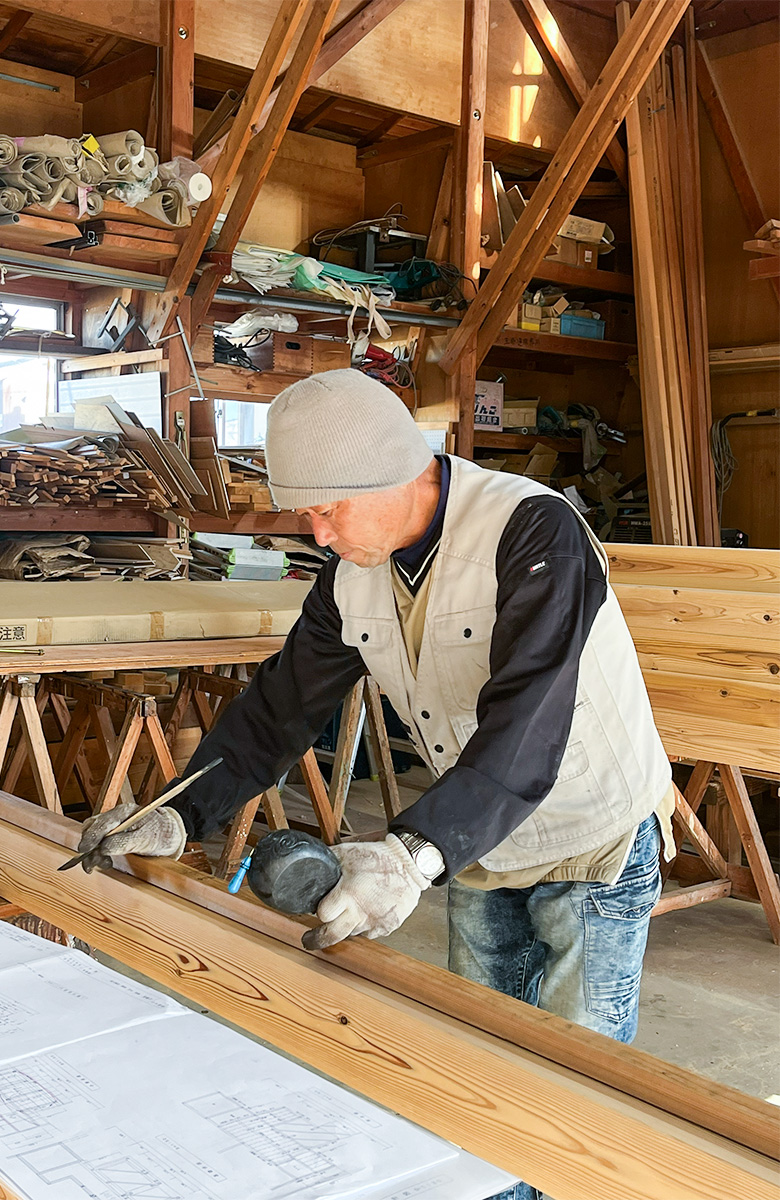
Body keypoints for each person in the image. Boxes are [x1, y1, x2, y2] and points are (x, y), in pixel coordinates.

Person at [79, 369, 675, 1200]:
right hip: (475, 835)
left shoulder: (535, 531)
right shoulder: (356, 568)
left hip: (589, 832)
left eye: (327, 511)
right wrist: (180, 814)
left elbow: (528, 728)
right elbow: (280, 708)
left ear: (397, 476)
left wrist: (409, 854)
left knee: (575, 1092)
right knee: (476, 1070)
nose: (317, 535)